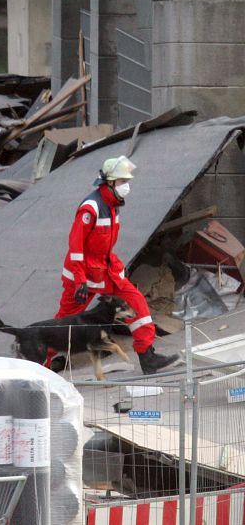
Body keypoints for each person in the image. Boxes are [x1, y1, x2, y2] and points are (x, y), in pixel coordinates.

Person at [47, 155, 179, 375]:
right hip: (83, 277)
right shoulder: (91, 209)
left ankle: (147, 356)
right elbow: (76, 247)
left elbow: (104, 248)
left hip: (105, 273)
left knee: (136, 303)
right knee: (63, 324)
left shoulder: (112, 206)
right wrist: (80, 280)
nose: (126, 186)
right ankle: (39, 364)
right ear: (109, 182)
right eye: (122, 181)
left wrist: (115, 268)